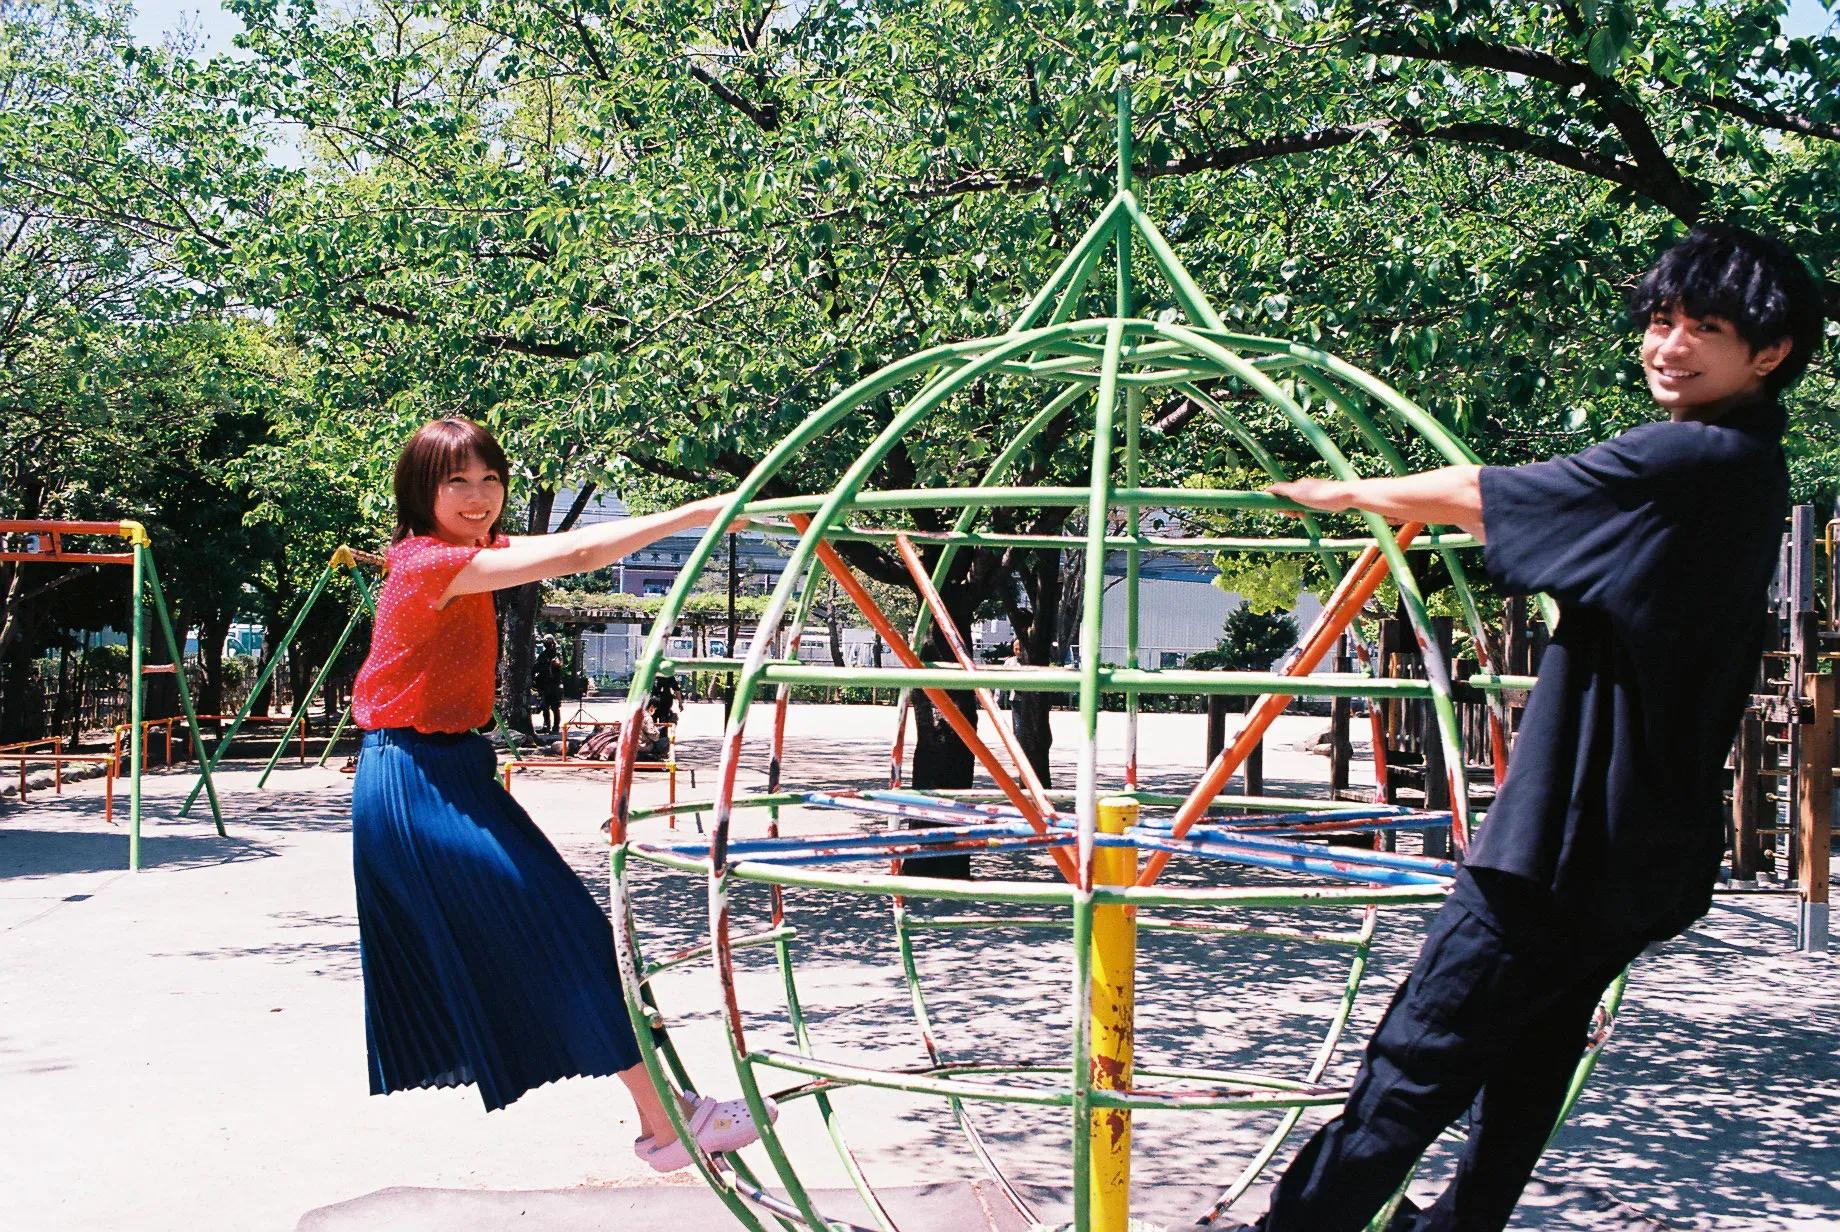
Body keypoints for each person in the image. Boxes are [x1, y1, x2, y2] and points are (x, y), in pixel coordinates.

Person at [1229, 224, 1824, 1231]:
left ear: (1767, 353)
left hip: (1557, 855)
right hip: (1633, 855)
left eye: (1703, 329)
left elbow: (1491, 497)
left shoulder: (1690, 457)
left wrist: (1342, 492)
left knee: (1408, 1070)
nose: (1666, 345)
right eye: (1659, 320)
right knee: (1522, 1078)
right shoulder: (1750, 467)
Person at [348, 416, 774, 1172]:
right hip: (414, 781)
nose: (480, 497)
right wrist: (700, 513)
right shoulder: (428, 564)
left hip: (449, 771)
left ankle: (670, 1119)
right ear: (422, 491)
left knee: (574, 933)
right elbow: (578, 549)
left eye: (490, 479)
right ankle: (671, 1121)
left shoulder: (476, 552)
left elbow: (565, 554)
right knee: (568, 932)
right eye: (458, 482)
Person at [533, 635, 565, 733]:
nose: (547, 642)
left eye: (549, 641)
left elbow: (560, 664)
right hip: (545, 685)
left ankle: (555, 728)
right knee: (545, 707)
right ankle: (546, 726)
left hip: (555, 685)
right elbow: (536, 667)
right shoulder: (542, 655)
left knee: (555, 708)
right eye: (546, 641)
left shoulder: (557, 655)